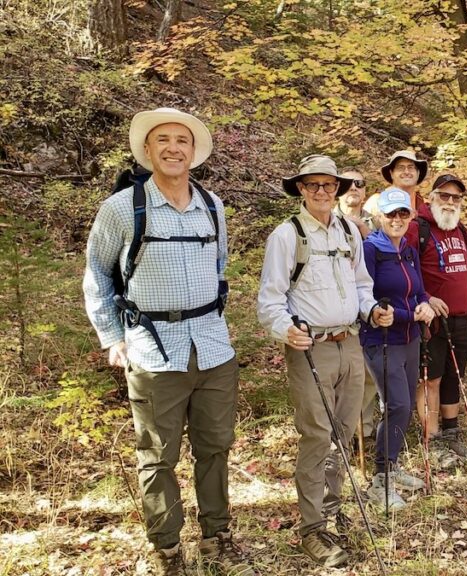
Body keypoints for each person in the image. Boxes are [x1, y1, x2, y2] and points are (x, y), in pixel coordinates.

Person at [82, 108, 253, 575]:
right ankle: (168, 549)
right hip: (153, 349)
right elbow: (98, 274)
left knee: (215, 447)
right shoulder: (122, 208)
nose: (174, 148)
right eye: (163, 140)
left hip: (214, 348)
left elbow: (218, 268)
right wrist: (112, 337)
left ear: (194, 152)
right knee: (158, 456)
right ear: (148, 149)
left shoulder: (212, 205)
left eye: (182, 140)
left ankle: (218, 537)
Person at [256, 154, 390, 566]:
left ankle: (332, 511)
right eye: (312, 185)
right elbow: (270, 300)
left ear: (338, 189)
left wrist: (371, 311)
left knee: (344, 432)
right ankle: (313, 529)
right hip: (309, 347)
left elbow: (362, 285)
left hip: (350, 341)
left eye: (328, 185)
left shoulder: (350, 230)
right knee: (317, 435)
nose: (321, 192)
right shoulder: (286, 235)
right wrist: (285, 329)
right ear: (300, 188)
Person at [361, 187, 436, 510]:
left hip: (410, 338)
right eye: (391, 213)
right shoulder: (370, 250)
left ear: (411, 216)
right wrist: (410, 314)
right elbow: (367, 297)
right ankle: (381, 480)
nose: (397, 219)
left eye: (403, 213)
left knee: (403, 406)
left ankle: (391, 466)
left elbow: (418, 289)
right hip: (382, 340)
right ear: (379, 216)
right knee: (398, 405)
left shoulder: (408, 248)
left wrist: (426, 306)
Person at [407, 174, 467, 469]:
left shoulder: (459, 229)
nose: (449, 202)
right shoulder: (417, 228)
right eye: (444, 196)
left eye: (456, 198)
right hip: (431, 321)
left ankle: (451, 432)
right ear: (432, 196)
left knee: (453, 376)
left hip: (462, 318)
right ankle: (431, 439)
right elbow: (402, 269)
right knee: (431, 379)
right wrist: (423, 298)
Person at [332, 166, 379, 445]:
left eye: (359, 183)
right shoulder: (328, 219)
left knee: (369, 372)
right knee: (341, 375)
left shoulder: (377, 222)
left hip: (372, 305)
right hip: (338, 308)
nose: (353, 187)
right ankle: (340, 432)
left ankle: (366, 430)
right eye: (347, 183)